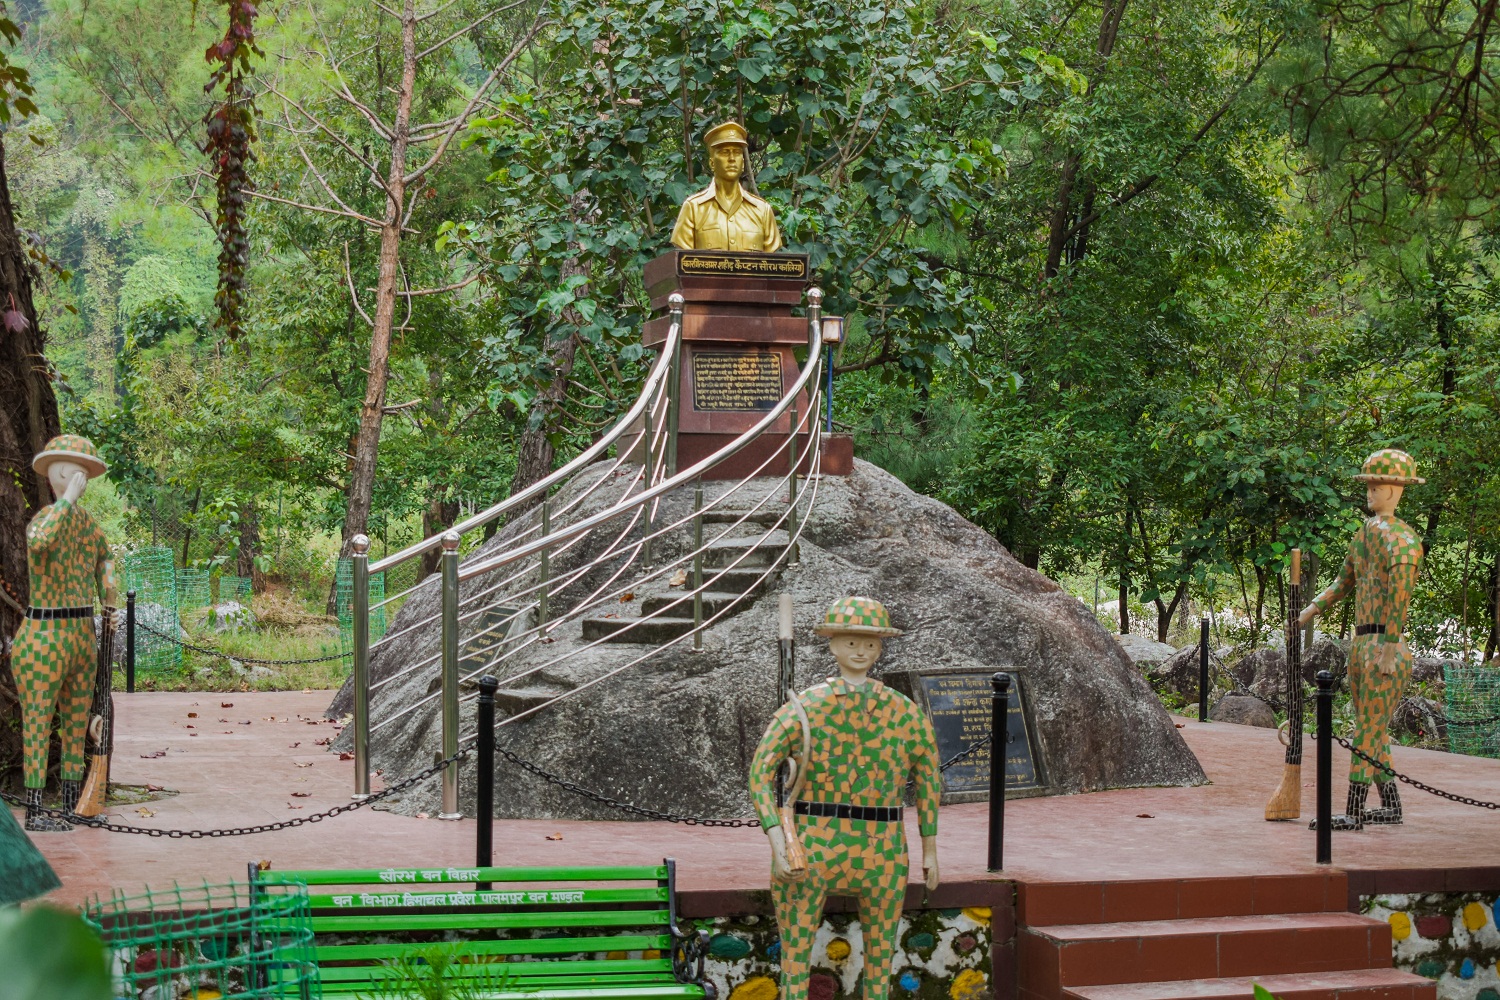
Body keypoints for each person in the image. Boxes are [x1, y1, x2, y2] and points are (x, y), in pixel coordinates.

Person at [749, 596, 940, 1000]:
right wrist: (778, 841)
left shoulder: (903, 712)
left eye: (870, 644)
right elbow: (760, 773)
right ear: (832, 644)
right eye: (851, 642)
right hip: (813, 839)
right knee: (795, 957)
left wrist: (931, 847)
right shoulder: (805, 708)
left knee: (881, 957)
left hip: (883, 843)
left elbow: (927, 776)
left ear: (880, 649)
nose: (860, 651)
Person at [1298, 448, 1425, 831]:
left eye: (1375, 486)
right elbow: (1344, 581)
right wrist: (1311, 609)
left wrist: (1389, 646)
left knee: (1367, 728)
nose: (1369, 492)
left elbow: (1400, 596)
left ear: (1392, 489)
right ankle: (1391, 805)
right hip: (1364, 643)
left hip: (1386, 645)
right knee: (1373, 726)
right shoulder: (1366, 533)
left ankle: (1353, 812)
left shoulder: (1402, 539)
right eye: (1369, 485)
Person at [14, 435, 116, 832]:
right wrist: (67, 501)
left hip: (79, 634)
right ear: (55, 473)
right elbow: (39, 541)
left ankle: (76, 802)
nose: (79, 478)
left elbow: (105, 556)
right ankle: (37, 809)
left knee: (76, 724)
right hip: (44, 635)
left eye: (84, 473)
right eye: (72, 470)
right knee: (38, 724)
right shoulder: (46, 518)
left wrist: (109, 591)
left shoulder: (88, 525)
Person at [670, 121, 783, 253]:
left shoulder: (762, 210)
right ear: (712, 163)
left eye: (736, 152)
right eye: (724, 152)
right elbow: (685, 264)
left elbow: (773, 266)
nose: (731, 158)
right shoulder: (693, 208)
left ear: (742, 163)